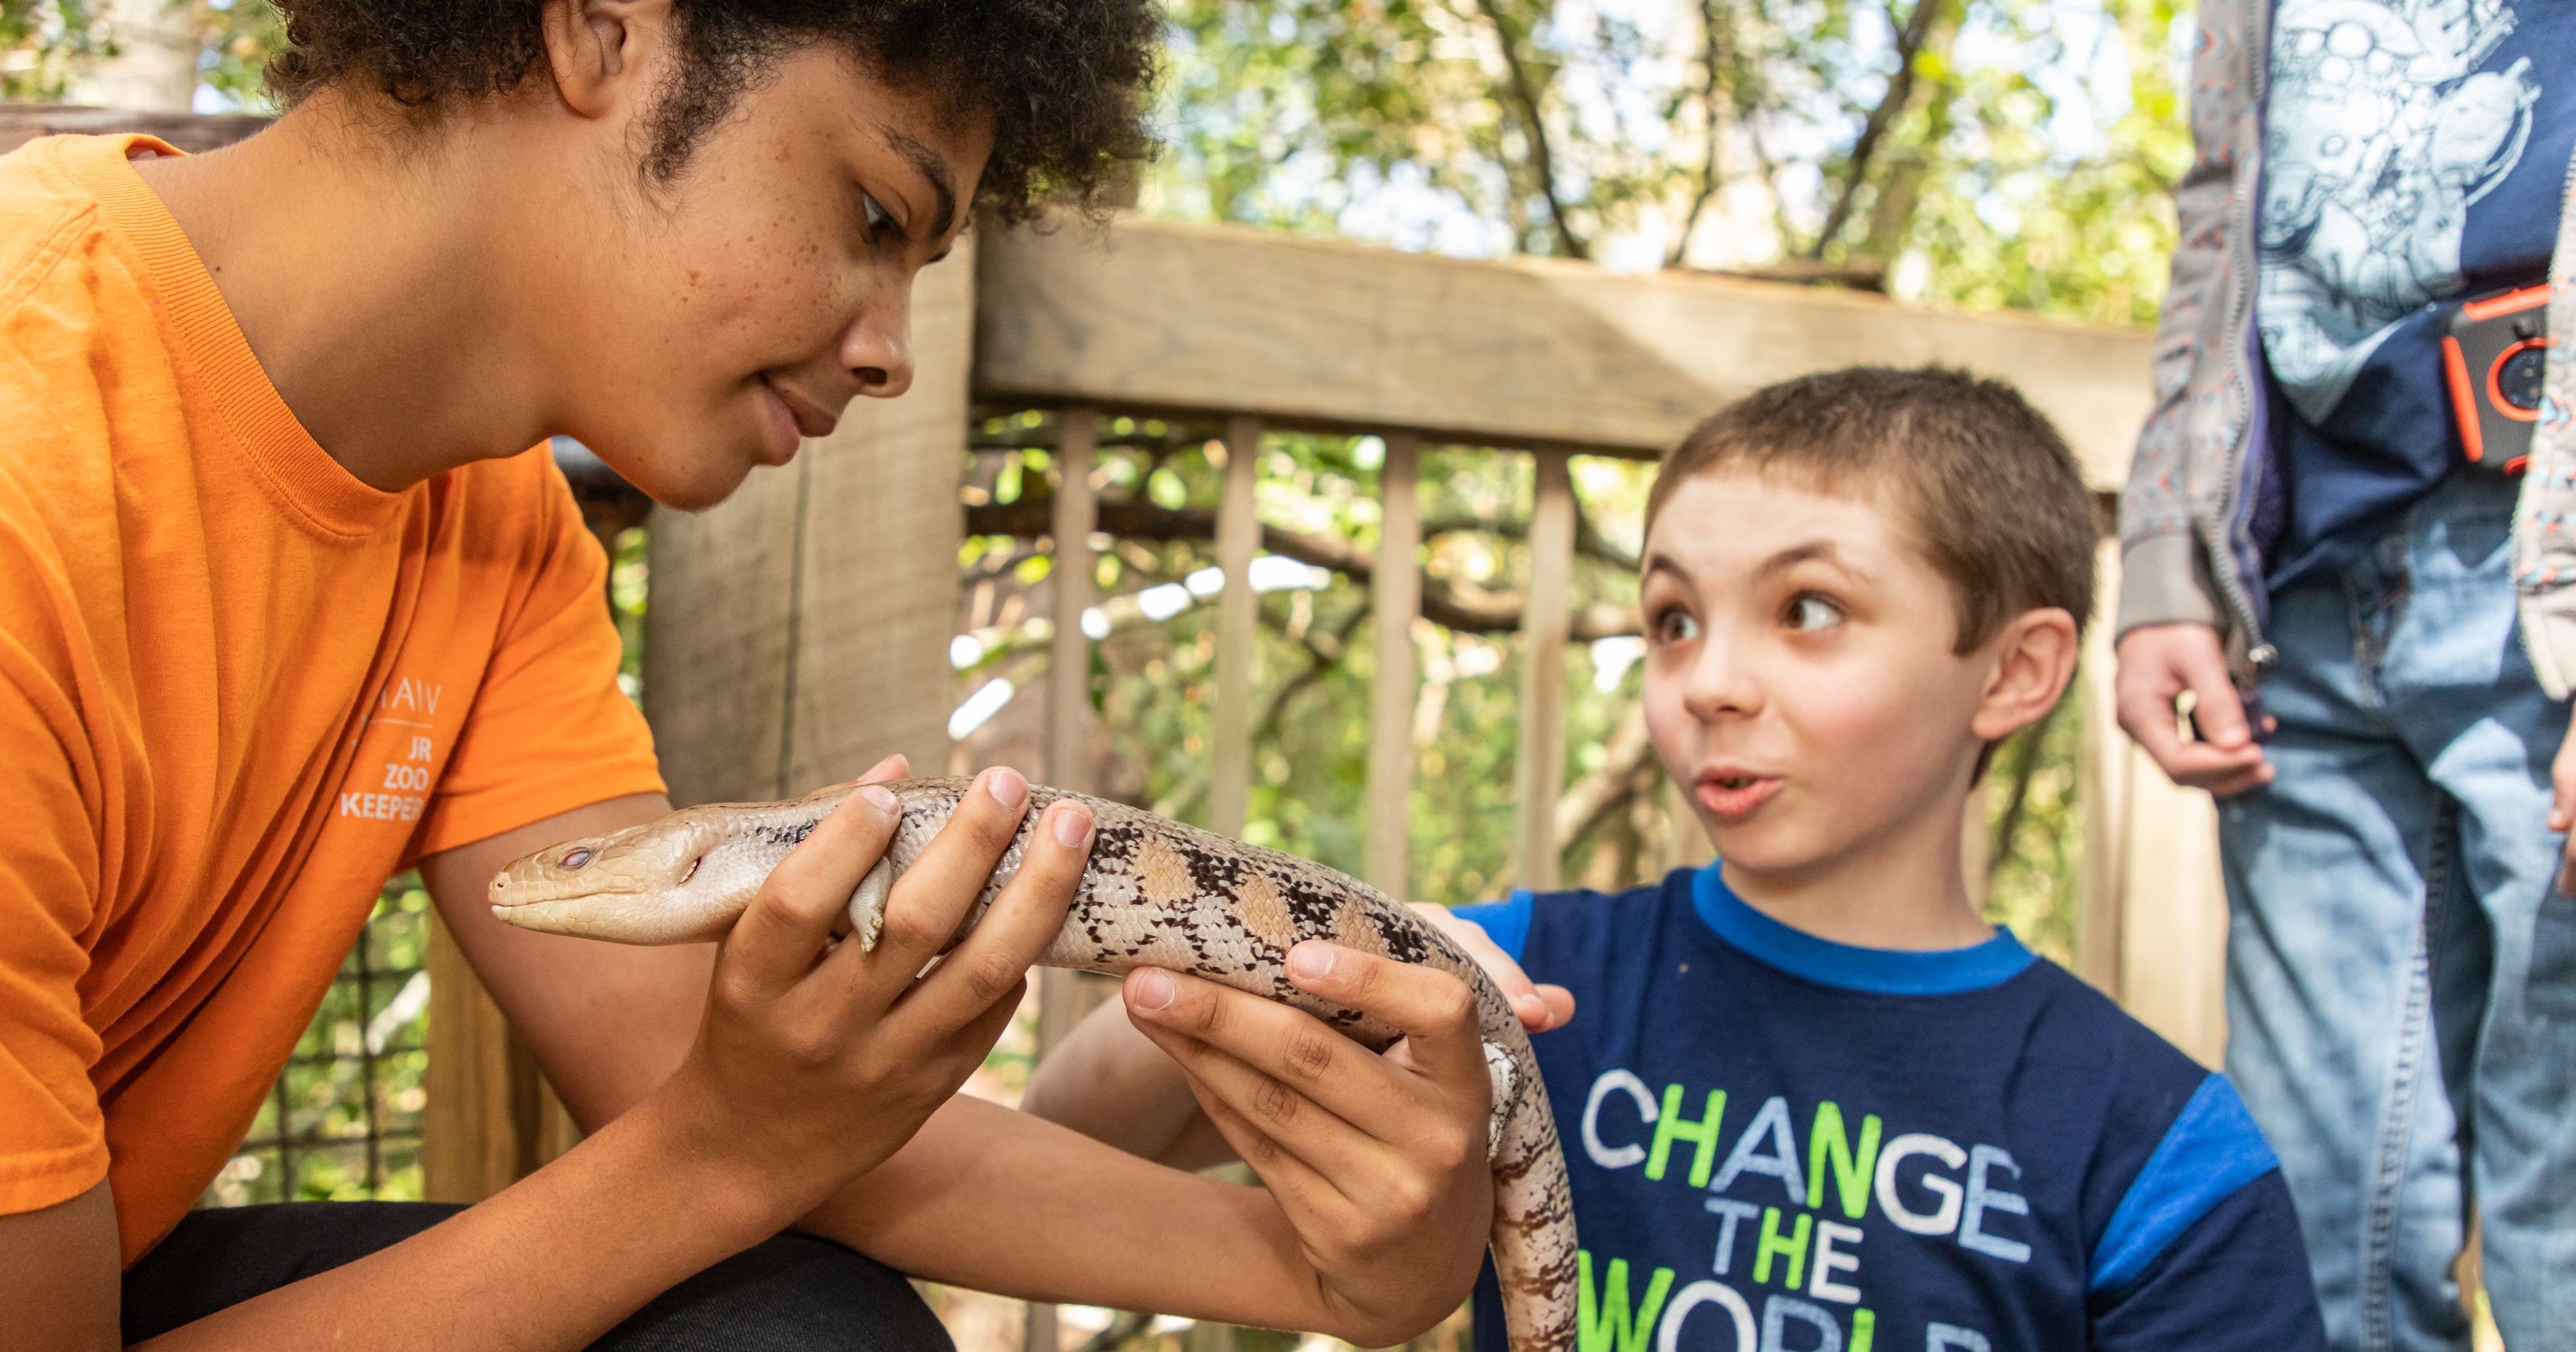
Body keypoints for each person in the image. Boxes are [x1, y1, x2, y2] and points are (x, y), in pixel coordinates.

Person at [0, 3, 1502, 1349]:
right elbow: (717, 1139)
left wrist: (1319, 1267)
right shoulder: (26, 458)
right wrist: (729, 1153)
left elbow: (696, 1079)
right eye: (872, 210)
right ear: (601, 30)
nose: (892, 354)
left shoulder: (493, 517)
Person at [1028, 366, 2332, 1351]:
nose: (1707, 682)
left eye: (1808, 611)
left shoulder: (2168, 1153)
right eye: (1670, 619)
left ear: (2017, 670)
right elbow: (1077, 1137)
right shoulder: (1516, 980)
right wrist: (1281, 967)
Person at [2111, 0, 2576, 1342]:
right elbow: (2221, 204)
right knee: (2317, 1213)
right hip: (2295, 585)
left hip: (2542, 572)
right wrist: (2165, 550)